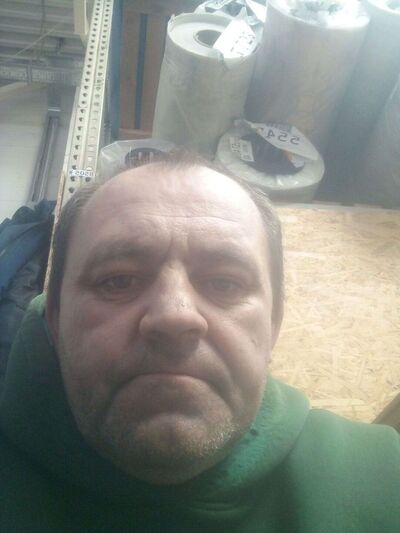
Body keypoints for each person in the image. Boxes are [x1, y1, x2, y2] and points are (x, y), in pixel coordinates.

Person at [0, 151, 399, 532]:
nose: (175, 315)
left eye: (225, 283)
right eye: (118, 280)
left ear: (273, 325)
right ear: (54, 318)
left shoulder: (381, 474)